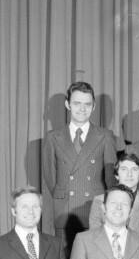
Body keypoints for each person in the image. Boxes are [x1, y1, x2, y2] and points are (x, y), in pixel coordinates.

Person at [41, 81, 117, 247]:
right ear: (67, 104)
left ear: (94, 106)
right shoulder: (53, 137)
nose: (82, 109)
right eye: (77, 103)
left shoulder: (105, 136)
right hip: (64, 212)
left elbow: (111, 180)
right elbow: (50, 180)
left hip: (94, 211)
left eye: (87, 104)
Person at [89, 153, 139, 234]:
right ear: (116, 175)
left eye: (134, 169)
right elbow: (94, 235)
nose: (129, 174)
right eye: (124, 169)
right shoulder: (99, 201)